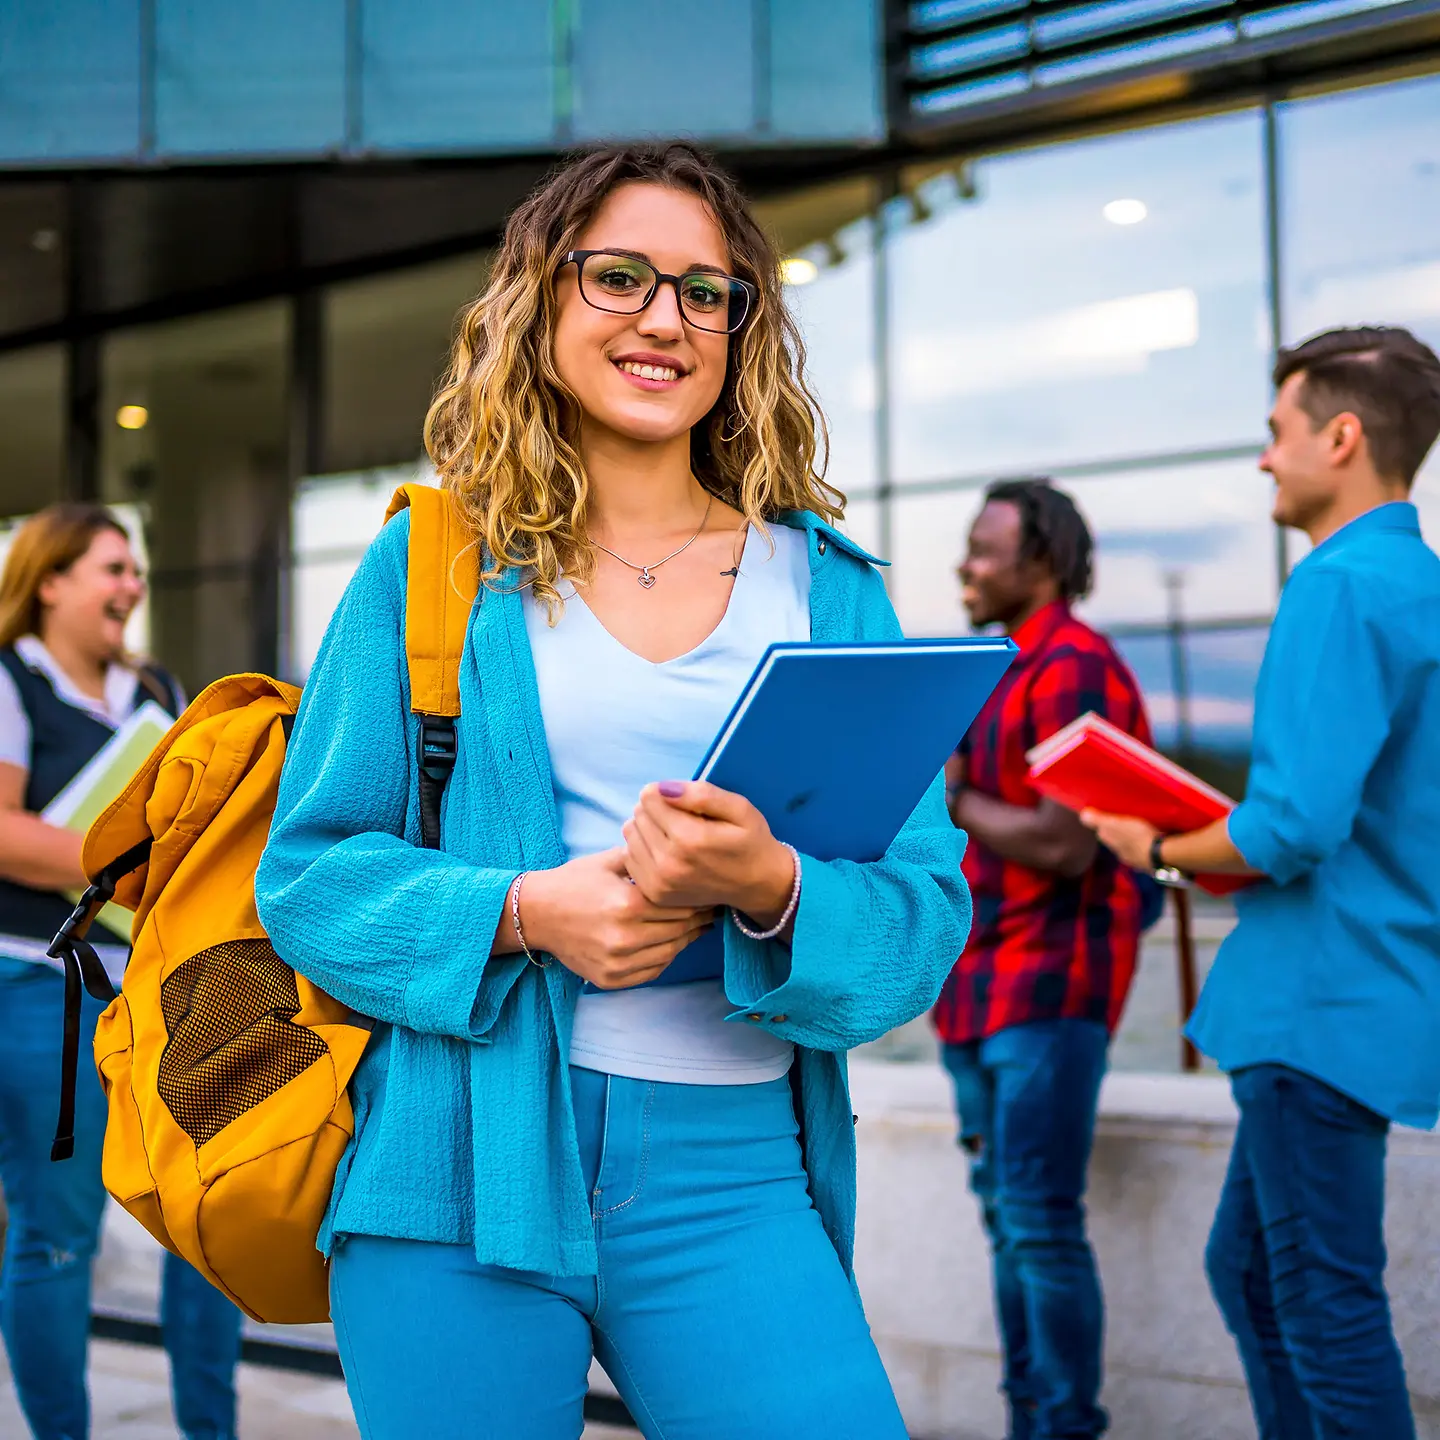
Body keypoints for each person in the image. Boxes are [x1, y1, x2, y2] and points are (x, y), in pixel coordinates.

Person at [254, 142, 969, 1440]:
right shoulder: (437, 561)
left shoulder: (833, 590)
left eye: (709, 292)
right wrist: (527, 911)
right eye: (622, 276)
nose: (666, 319)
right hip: (453, 1166)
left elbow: (923, 914)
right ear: (542, 299)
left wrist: (771, 889)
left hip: (738, 1174)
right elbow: (308, 877)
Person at [1085, 325, 1440, 1440]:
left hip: (1318, 1009)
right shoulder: (1417, 584)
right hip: (1367, 994)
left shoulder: (1338, 587)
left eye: (1278, 432)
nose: (1264, 459)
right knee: (1250, 1272)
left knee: (1324, 1310)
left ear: (1341, 435)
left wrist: (1152, 844)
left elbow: (1292, 826)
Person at [0, 504, 243, 1440]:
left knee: (203, 1222)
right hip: (37, 989)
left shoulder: (154, 685)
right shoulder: (9, 683)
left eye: (135, 570)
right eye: (112, 569)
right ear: (49, 582)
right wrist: (122, 859)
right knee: (57, 1237)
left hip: (157, 989)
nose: (132, 586)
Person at [934, 479, 1156, 1440]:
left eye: (984, 549)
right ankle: (1034, 1420)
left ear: (1042, 562)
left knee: (1038, 1222)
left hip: (1049, 986)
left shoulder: (1074, 667)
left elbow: (1068, 844)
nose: (965, 566)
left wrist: (950, 797)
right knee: (1007, 1219)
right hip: (978, 986)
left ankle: (1063, 1427)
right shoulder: (996, 666)